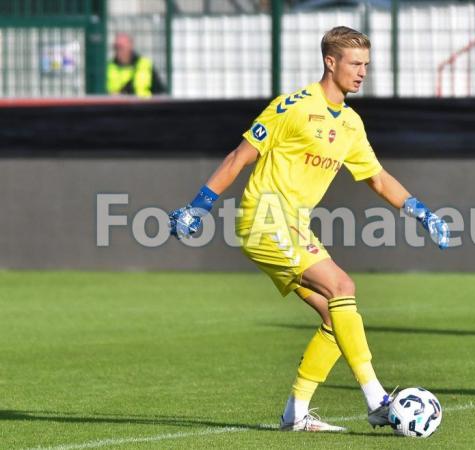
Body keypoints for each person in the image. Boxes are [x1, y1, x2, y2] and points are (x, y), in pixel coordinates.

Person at [168, 26, 449, 432]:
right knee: (343, 287)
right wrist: (200, 206)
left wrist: (423, 212)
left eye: (366, 64)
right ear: (330, 62)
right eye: (354, 63)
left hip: (293, 225)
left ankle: (295, 413)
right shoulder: (294, 107)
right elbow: (239, 156)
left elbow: (377, 178)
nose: (362, 72)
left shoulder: (351, 124)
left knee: (337, 318)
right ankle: (377, 400)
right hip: (264, 218)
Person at [107, 32, 166, 97]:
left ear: (130, 45)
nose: (118, 50)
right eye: (116, 47)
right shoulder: (108, 67)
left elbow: (159, 91)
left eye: (121, 47)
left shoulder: (145, 65)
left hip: (144, 105)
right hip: (117, 106)